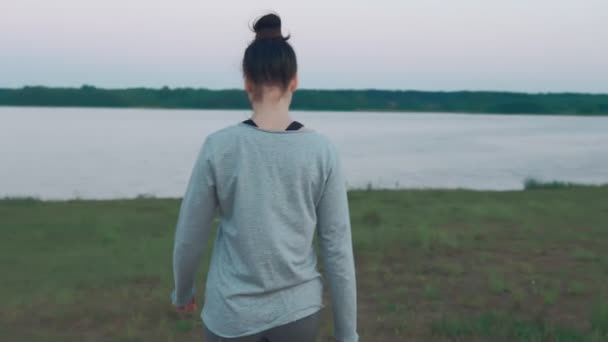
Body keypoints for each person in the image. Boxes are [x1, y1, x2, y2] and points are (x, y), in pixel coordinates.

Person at [170, 12, 358, 342]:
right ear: (294, 80)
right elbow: (337, 249)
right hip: (299, 314)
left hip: (230, 315)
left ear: (246, 81)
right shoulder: (322, 150)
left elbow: (190, 233)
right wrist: (347, 334)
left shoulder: (220, 147)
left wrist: (183, 292)